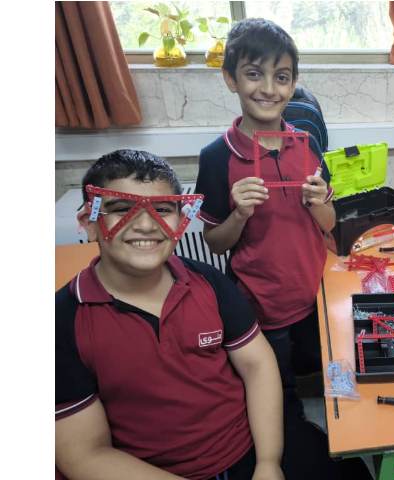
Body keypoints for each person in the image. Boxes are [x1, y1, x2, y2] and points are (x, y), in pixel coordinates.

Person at [55, 149, 284, 480]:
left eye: (162, 210)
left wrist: (268, 462)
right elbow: (84, 454)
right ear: (88, 222)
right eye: (122, 209)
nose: (146, 225)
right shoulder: (62, 323)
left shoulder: (209, 282)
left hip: (244, 449)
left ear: (180, 219)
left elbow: (257, 364)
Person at [194, 18, 335, 420]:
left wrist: (318, 203)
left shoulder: (307, 143)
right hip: (263, 304)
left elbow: (329, 222)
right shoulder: (216, 157)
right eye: (254, 74)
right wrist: (239, 214)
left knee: (327, 370)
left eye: (282, 77)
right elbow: (214, 243)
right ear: (231, 79)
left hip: (317, 293)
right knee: (277, 388)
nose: (269, 89)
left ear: (293, 84)